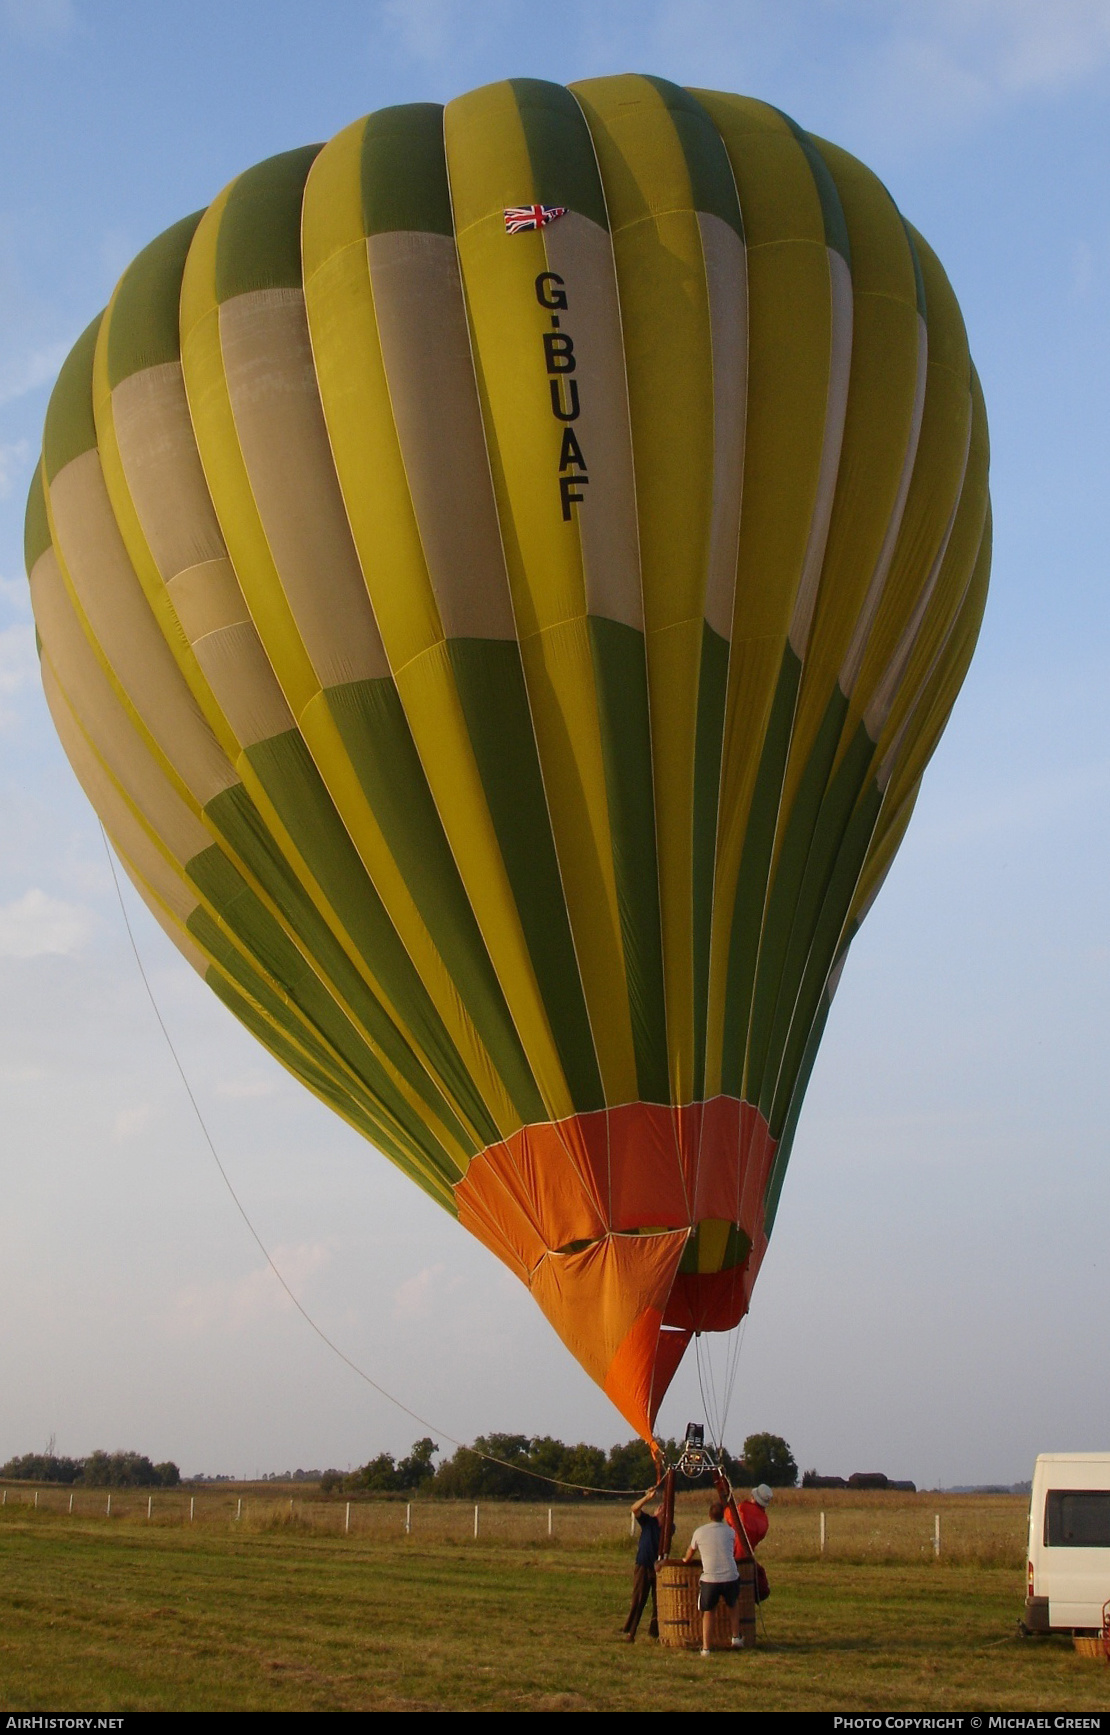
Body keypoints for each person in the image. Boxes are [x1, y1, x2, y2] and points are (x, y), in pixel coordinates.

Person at [683, 1500, 744, 1656]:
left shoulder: (699, 1532)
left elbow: (690, 1553)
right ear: (723, 1515)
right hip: (730, 1575)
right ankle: (736, 1637)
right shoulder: (730, 1532)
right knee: (733, 1605)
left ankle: (706, 1648)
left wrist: (684, 1560)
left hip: (710, 1578)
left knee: (708, 1612)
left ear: (709, 1515)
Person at [622, 1485, 667, 1640]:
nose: (660, 1508)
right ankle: (631, 1632)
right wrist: (647, 1498)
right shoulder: (648, 1522)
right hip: (643, 1564)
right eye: (659, 1507)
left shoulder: (669, 1528)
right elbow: (634, 1508)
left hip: (658, 1567)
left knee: (658, 1601)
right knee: (639, 1599)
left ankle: (654, 1632)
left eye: (663, 1508)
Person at [726, 1482, 772, 1561]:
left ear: (753, 1497)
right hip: (748, 1559)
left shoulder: (743, 1508)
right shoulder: (765, 1521)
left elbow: (728, 1515)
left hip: (733, 1555)